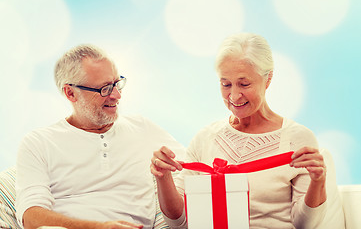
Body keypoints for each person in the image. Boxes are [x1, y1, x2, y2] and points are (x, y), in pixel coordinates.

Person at [150, 33, 345, 228]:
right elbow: (180, 223)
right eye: (225, 84)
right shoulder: (205, 139)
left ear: (268, 79)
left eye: (244, 84)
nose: (234, 96)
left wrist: (318, 181)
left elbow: (305, 225)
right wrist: (163, 178)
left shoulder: (297, 139)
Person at [15, 45, 185, 229]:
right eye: (105, 89)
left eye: (116, 84)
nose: (116, 95)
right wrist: (98, 227)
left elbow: (198, 170)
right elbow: (30, 217)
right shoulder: (38, 142)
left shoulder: (142, 128)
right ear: (70, 93)